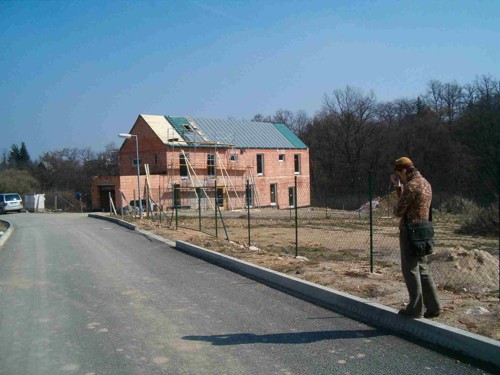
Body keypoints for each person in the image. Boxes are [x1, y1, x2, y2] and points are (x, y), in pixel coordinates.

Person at [391, 157, 441, 319]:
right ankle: (434, 307)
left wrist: (399, 188)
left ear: (404, 170)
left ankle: (415, 308)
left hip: (410, 232)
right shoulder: (425, 183)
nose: (400, 177)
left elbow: (398, 211)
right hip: (425, 231)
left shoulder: (411, 187)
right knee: (423, 269)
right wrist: (400, 188)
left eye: (399, 174)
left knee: (410, 270)